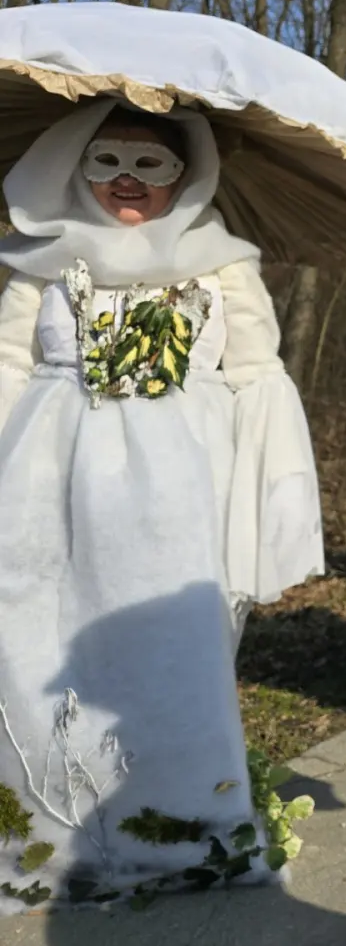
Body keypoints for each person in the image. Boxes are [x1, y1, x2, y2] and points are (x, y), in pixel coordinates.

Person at [0, 102, 322, 907]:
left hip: (182, 501)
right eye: (106, 160)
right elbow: (6, 366)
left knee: (170, 656)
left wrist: (271, 506)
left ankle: (177, 829)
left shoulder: (223, 265)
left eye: (150, 164)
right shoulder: (40, 262)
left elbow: (257, 378)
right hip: (46, 495)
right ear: (75, 165)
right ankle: (46, 832)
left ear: (188, 173)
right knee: (39, 650)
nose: (126, 181)